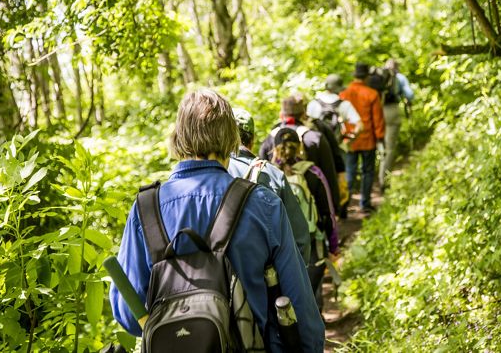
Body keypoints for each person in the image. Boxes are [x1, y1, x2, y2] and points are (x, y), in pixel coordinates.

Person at [109, 90, 324, 352]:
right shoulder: (262, 204)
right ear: (232, 139)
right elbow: (299, 306)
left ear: (177, 138)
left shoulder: (146, 210)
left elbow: (128, 314)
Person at [227, 107, 311, 264]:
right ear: (251, 141)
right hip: (263, 273)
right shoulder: (271, 174)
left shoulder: (211, 172)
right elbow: (299, 237)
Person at [271, 127, 338, 312]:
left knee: (288, 297)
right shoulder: (313, 172)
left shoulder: (268, 175)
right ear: (300, 147)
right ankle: (318, 335)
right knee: (312, 295)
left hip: (281, 246)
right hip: (312, 243)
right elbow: (328, 213)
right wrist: (333, 246)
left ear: (274, 148)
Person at [259, 95, 340, 215]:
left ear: (282, 115)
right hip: (312, 212)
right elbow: (329, 175)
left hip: (279, 212)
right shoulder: (315, 138)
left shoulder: (270, 140)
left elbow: (261, 175)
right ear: (303, 114)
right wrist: (334, 208)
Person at [306, 74, 364, 217]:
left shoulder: (313, 104)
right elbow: (360, 125)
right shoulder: (344, 104)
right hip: (337, 147)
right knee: (341, 177)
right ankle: (341, 208)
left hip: (316, 148)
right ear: (338, 88)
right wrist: (350, 138)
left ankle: (321, 211)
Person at [339, 62, 385, 212]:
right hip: (368, 139)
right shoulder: (372, 94)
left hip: (350, 140)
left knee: (349, 171)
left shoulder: (343, 94)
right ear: (366, 77)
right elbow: (377, 119)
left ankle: (344, 204)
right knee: (368, 172)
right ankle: (364, 204)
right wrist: (380, 137)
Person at [370, 59, 415, 188]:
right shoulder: (399, 77)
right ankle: (384, 180)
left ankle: (371, 177)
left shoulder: (377, 77)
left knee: (378, 145)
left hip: (375, 111)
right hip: (391, 111)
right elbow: (410, 95)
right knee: (389, 148)